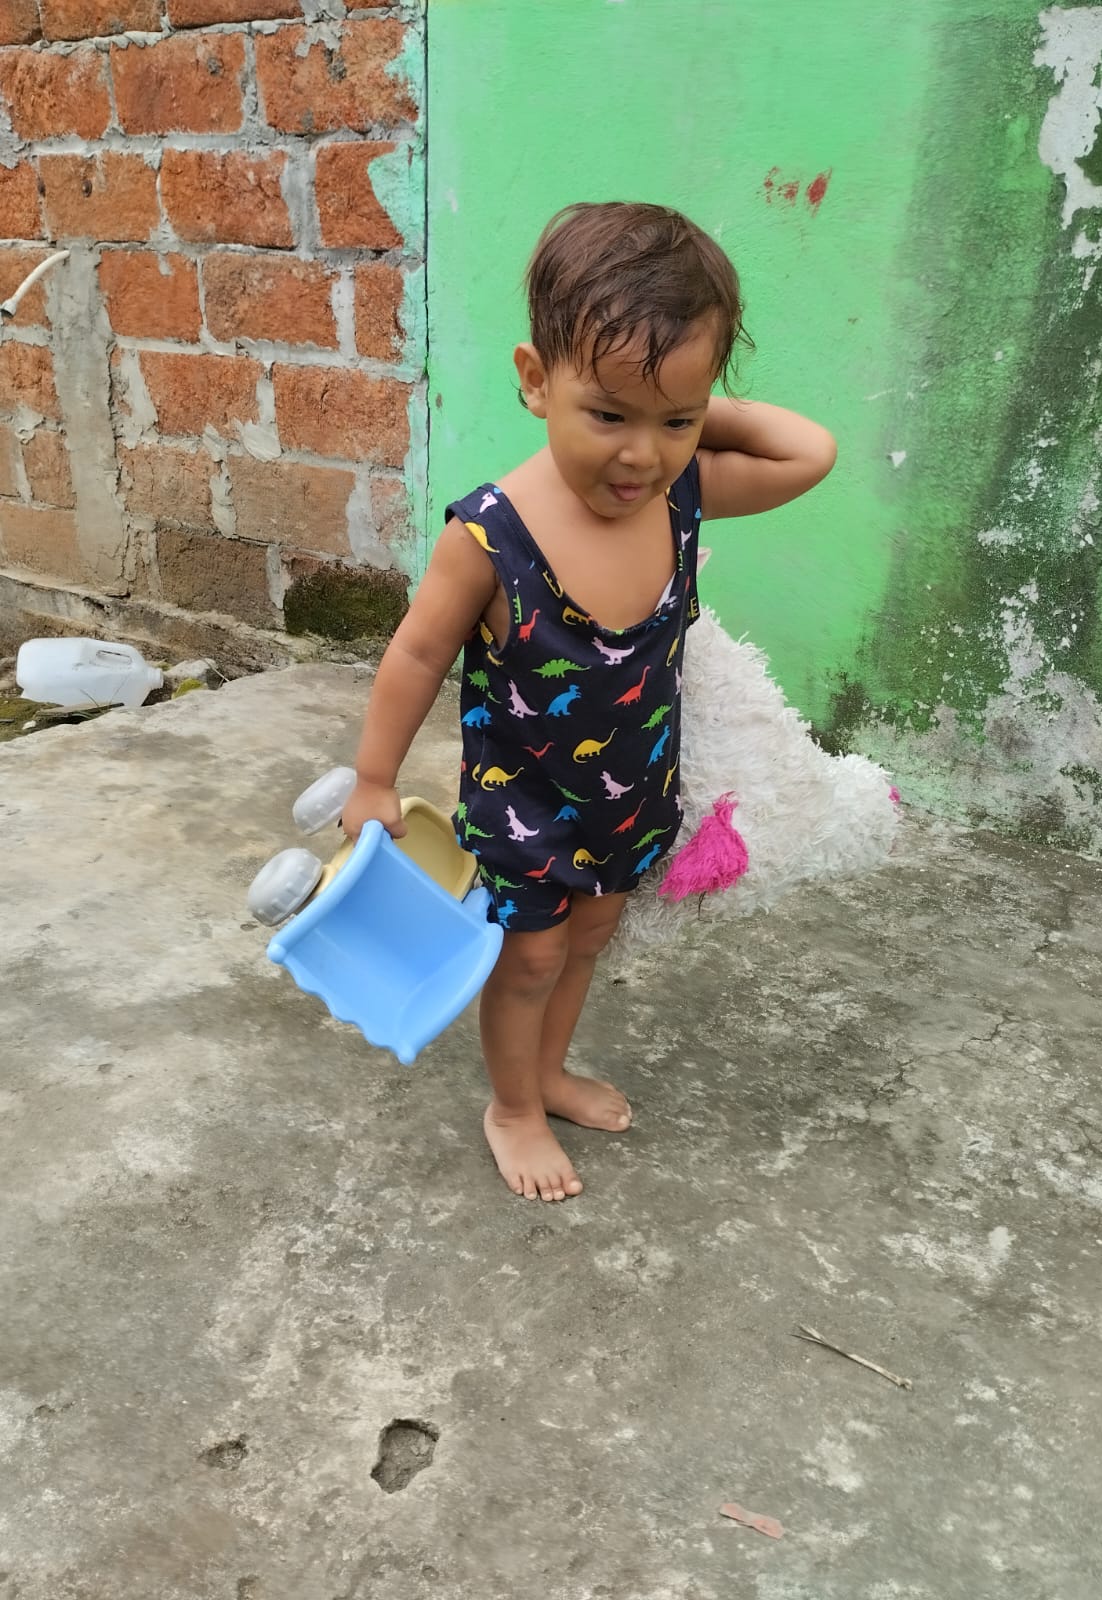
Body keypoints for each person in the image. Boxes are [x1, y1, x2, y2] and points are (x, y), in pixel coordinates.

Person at [342, 201, 837, 1202]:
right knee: (530, 959)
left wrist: (681, 406)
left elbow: (808, 452)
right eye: (609, 414)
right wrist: (372, 778)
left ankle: (551, 1073)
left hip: (632, 794)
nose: (640, 456)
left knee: (588, 944)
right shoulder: (489, 536)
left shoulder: (679, 491)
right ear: (536, 381)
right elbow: (418, 652)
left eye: (675, 422)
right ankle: (512, 1107)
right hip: (523, 804)